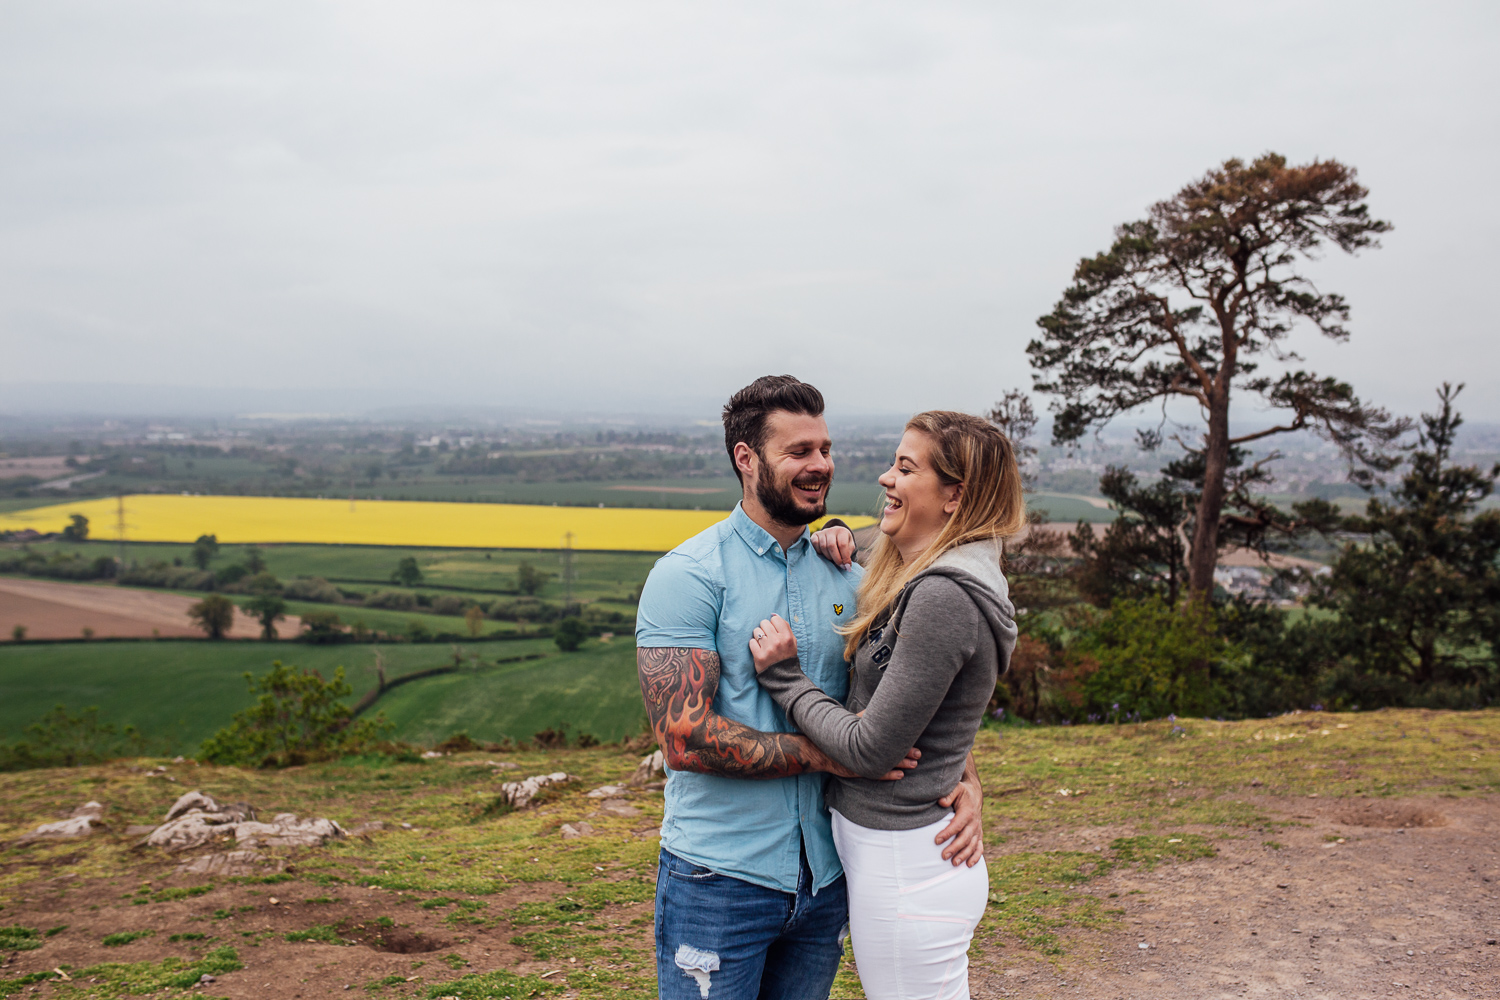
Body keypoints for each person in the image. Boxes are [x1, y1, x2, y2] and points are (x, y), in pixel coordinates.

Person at [636, 377, 985, 1000]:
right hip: (719, 881)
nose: (820, 465)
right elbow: (684, 738)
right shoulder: (687, 576)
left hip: (826, 882)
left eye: (824, 448)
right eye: (799, 451)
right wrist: (837, 755)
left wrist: (964, 780)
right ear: (747, 458)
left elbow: (911, 698)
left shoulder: (854, 577)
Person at [748, 410, 1024, 1000]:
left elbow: (871, 748)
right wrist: (841, 531)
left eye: (905, 467)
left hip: (907, 868)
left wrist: (785, 678)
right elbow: (934, 705)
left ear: (955, 496)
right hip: (905, 858)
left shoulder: (944, 596)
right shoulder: (933, 567)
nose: (885, 478)